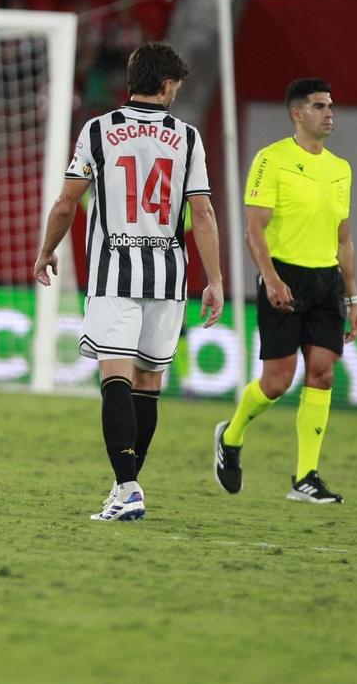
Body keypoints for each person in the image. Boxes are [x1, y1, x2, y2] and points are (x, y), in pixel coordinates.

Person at [34, 42, 224, 521]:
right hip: (169, 276)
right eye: (177, 85)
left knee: (114, 376)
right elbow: (201, 211)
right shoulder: (189, 138)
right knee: (148, 382)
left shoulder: (97, 131)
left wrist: (46, 251)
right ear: (166, 86)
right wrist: (216, 279)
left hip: (114, 270)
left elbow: (64, 205)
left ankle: (127, 486)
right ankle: (126, 488)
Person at [215, 78, 357, 503]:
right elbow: (253, 229)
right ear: (298, 114)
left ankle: (305, 477)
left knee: (323, 374)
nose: (329, 113)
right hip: (285, 276)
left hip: (326, 281)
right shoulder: (271, 160)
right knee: (277, 383)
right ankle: (232, 434)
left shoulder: (340, 168)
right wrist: (272, 278)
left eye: (330, 106)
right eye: (319, 106)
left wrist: (353, 298)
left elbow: (344, 238)